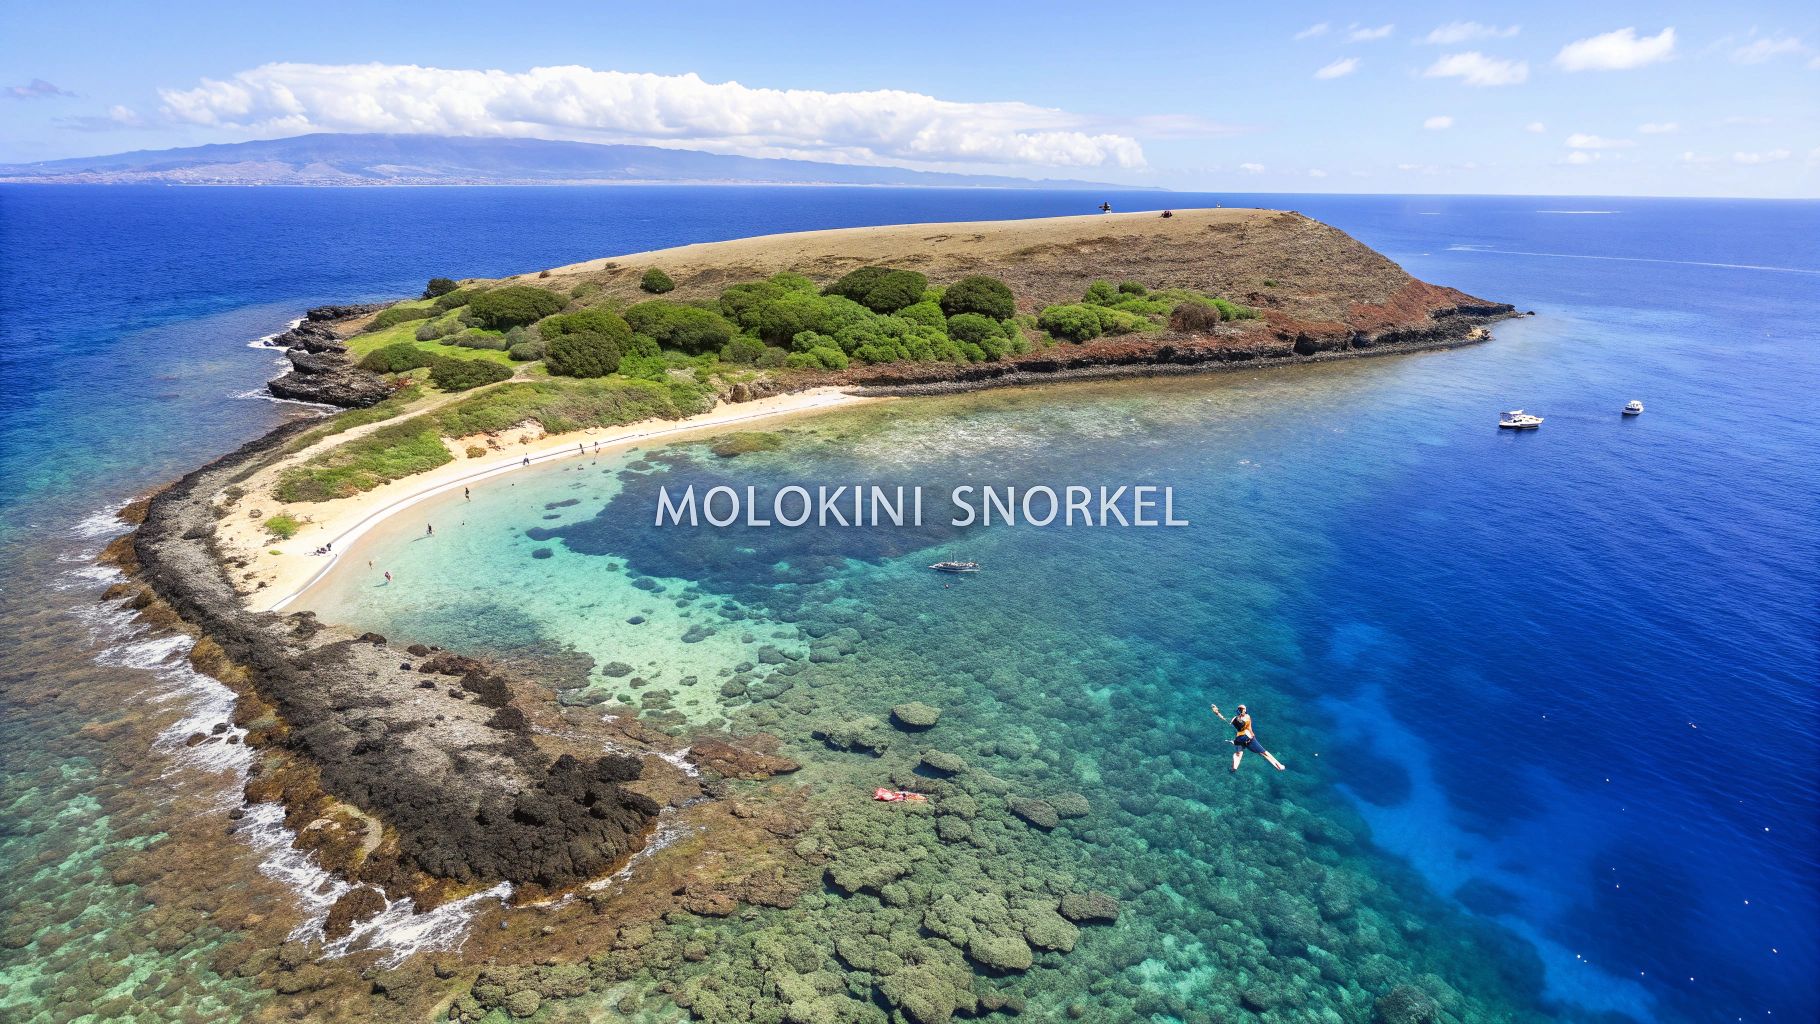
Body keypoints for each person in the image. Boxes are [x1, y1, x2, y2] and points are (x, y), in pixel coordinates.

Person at [1210, 702, 1286, 773]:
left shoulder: (1234, 719)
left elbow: (1223, 718)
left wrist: (1216, 712)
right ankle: (1279, 765)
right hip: (1248, 738)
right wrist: (1252, 735)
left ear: (1238, 711)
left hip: (1239, 739)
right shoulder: (1248, 717)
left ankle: (1233, 768)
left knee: (1238, 754)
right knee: (1264, 753)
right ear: (1245, 711)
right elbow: (1249, 728)